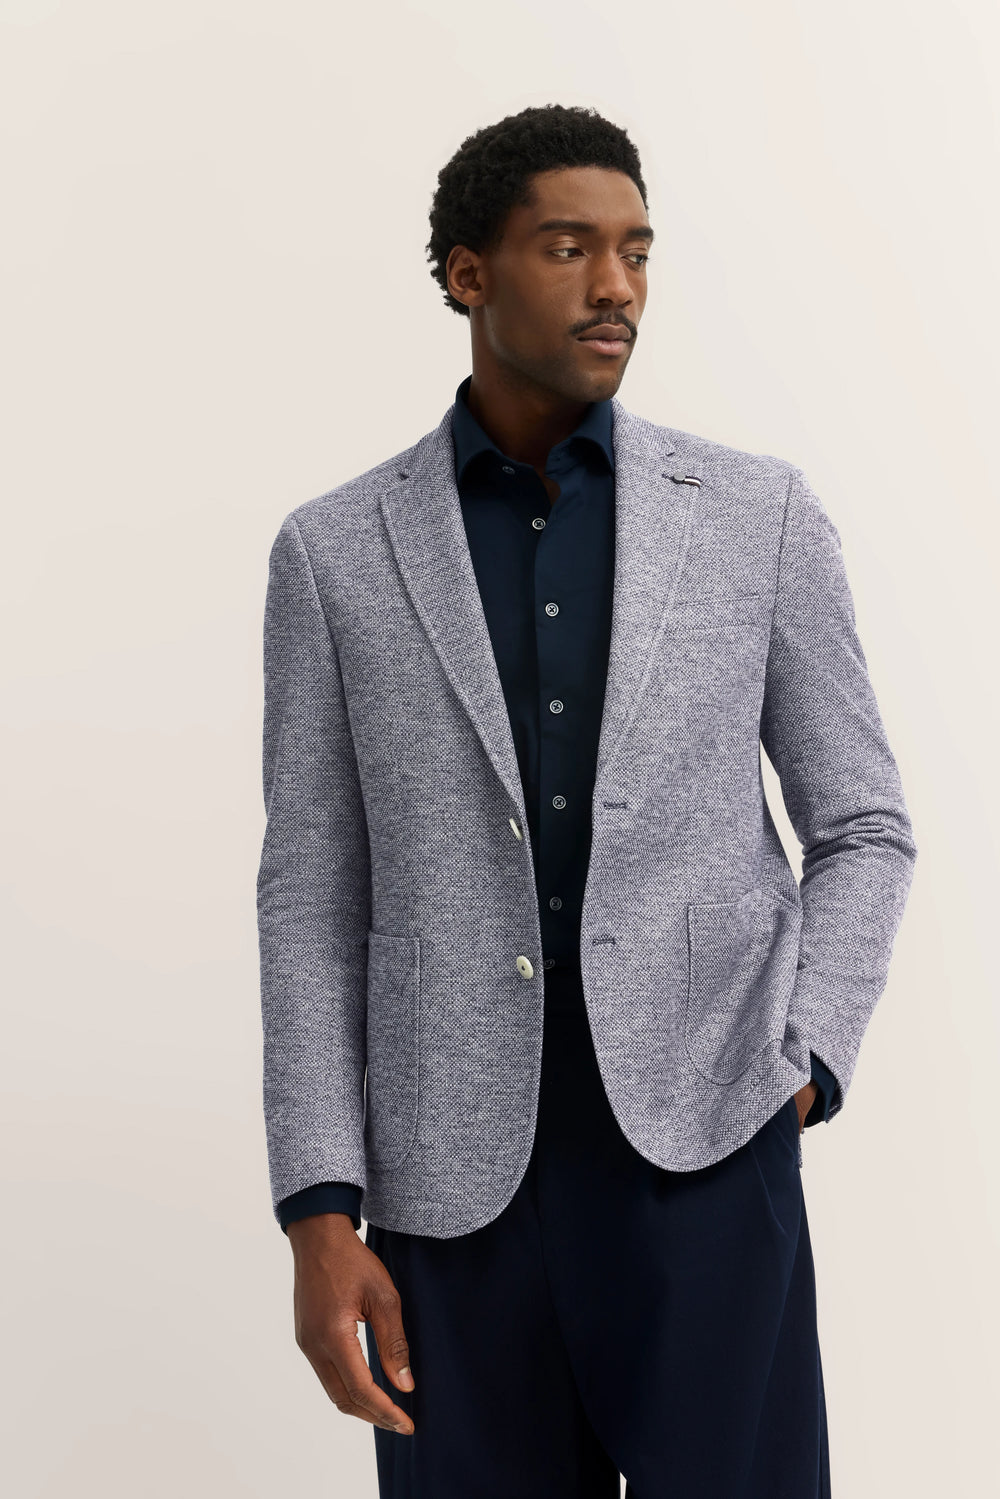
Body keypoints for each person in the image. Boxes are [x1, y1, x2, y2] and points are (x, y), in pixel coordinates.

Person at [256, 103, 917, 1498]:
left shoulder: (756, 518)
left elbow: (862, 821)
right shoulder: (334, 552)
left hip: (706, 1156)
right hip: (451, 1198)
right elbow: (312, 892)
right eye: (568, 249)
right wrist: (319, 1207)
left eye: (636, 251)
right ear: (468, 274)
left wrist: (808, 1051)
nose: (615, 286)